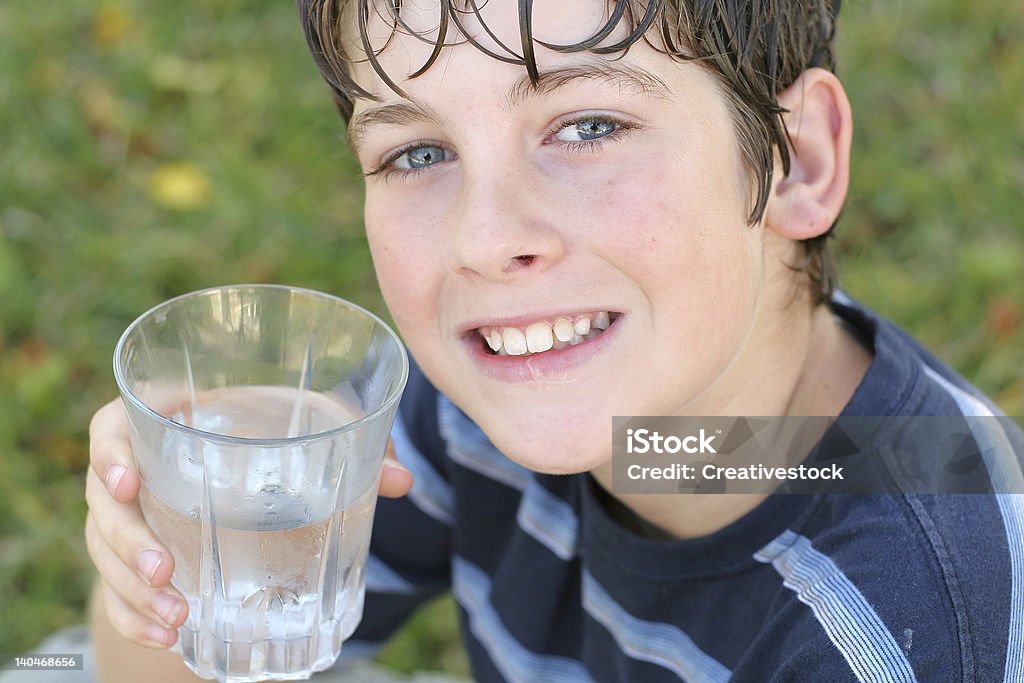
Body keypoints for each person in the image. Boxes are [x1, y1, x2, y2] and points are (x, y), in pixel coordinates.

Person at [84, 1, 1024, 681]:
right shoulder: (494, 398)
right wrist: (169, 551)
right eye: (417, 153)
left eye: (588, 125)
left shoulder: (912, 631)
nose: (486, 243)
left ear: (794, 160)